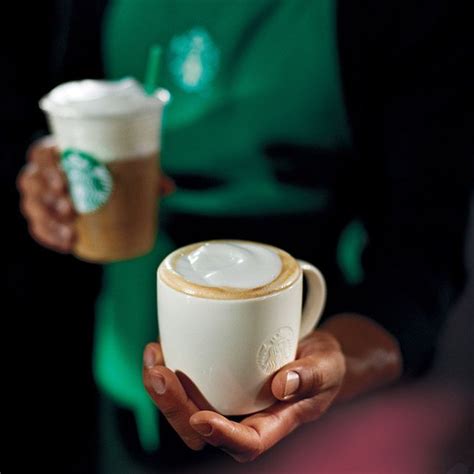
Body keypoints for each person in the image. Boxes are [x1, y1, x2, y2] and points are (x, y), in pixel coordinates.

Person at [17, 0, 472, 469]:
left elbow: (422, 258)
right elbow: (64, 100)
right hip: (124, 362)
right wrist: (53, 177)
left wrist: (334, 363)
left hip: (322, 402)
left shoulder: (404, 16)